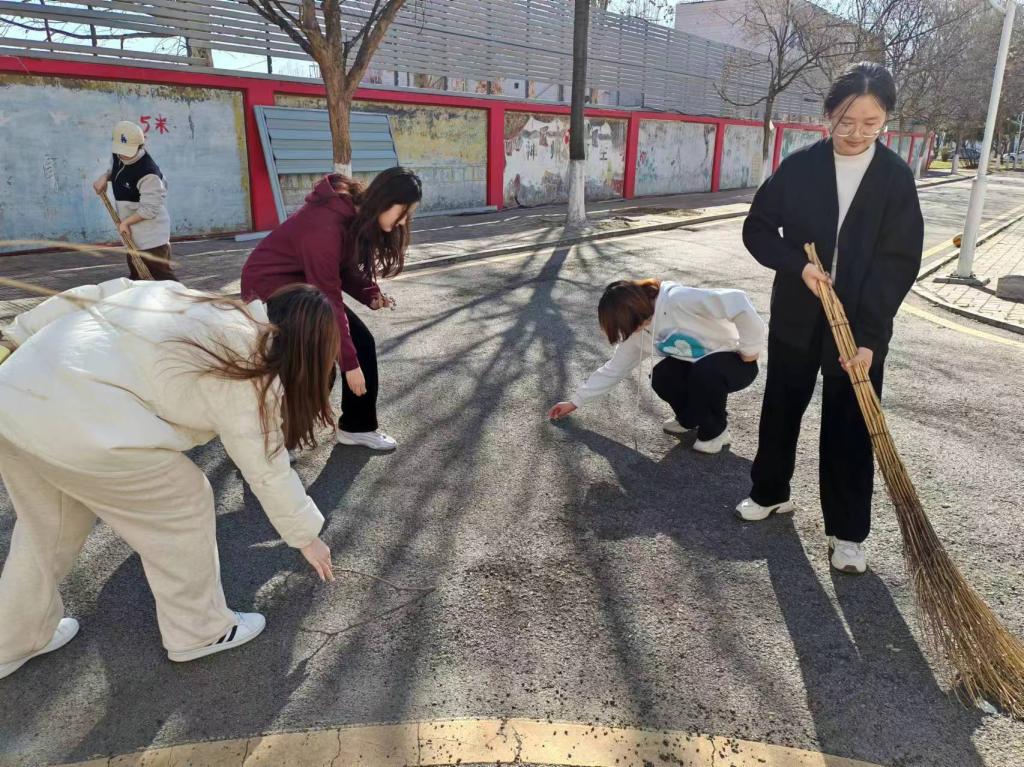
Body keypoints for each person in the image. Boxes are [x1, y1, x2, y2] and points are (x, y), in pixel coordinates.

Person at [0, 280, 339, 680]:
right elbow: (266, 467)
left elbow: (95, 293)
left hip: (12, 393)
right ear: (309, 351)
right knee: (183, 501)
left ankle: (12, 640)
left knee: (47, 528)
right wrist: (307, 537)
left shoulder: (187, 297)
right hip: (81, 423)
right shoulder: (250, 369)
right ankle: (200, 630)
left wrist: (14, 336)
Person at [737, 62, 924, 574]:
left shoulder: (894, 178)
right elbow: (757, 229)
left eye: (871, 122)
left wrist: (871, 338)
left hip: (859, 324)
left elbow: (898, 263)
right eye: (846, 120)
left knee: (851, 423)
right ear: (828, 114)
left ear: (886, 120)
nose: (856, 132)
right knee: (782, 404)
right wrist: (797, 266)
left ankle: (848, 532)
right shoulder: (801, 167)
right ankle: (770, 491)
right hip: (798, 312)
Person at [241, 167, 422, 452]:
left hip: (304, 284)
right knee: (319, 362)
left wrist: (371, 294)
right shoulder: (325, 225)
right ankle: (276, 444)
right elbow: (329, 297)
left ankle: (357, 427)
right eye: (403, 212)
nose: (403, 222)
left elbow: (341, 269)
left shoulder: (352, 215)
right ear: (385, 201)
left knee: (362, 343)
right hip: (270, 288)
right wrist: (349, 365)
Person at [548, 279, 766, 454]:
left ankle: (716, 432)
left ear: (636, 311)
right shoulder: (637, 332)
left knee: (705, 372)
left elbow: (737, 301)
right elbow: (614, 369)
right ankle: (689, 419)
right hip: (697, 368)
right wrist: (575, 402)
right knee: (662, 375)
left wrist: (750, 349)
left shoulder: (677, 300)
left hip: (737, 362)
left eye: (629, 326)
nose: (630, 333)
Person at [93, 120, 176, 281]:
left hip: (151, 237)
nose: (123, 155)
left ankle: (182, 298)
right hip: (133, 235)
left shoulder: (148, 173)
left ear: (140, 146)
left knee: (163, 280)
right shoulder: (118, 156)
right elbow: (115, 169)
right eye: (120, 151)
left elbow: (150, 209)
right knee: (138, 278)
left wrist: (125, 223)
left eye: (128, 151)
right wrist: (105, 177)